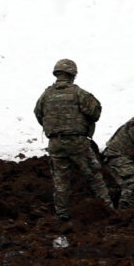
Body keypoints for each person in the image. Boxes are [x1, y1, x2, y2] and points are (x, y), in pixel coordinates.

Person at [33, 58, 112, 219]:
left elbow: (38, 113)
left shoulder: (46, 95)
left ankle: (62, 214)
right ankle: (108, 209)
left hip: (55, 143)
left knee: (61, 181)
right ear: (73, 74)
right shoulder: (79, 93)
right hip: (77, 142)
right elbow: (95, 112)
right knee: (94, 175)